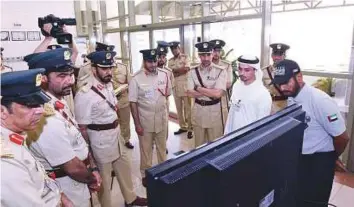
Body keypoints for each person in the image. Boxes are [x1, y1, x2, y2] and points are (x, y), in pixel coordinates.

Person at [24, 48, 101, 207]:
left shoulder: (57, 102)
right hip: (67, 188)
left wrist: (92, 167)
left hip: (78, 181)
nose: (71, 81)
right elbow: (72, 167)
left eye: (71, 74)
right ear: (43, 79)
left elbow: (77, 140)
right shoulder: (46, 118)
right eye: (62, 76)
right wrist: (92, 178)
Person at [271, 59, 349, 207]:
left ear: (299, 77)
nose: (282, 87)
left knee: (314, 203)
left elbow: (342, 137)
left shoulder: (320, 101)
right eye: (279, 83)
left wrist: (332, 157)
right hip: (300, 160)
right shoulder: (292, 97)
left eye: (286, 82)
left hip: (318, 163)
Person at [74, 50, 147, 207]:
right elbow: (82, 128)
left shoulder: (108, 85)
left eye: (110, 68)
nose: (109, 72)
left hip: (116, 135)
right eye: (104, 68)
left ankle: (131, 199)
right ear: (94, 69)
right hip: (100, 141)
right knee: (105, 181)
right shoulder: (84, 93)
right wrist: (90, 155)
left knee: (124, 169)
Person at [1, 69, 72, 206]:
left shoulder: (15, 137)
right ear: (2, 111)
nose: (40, 110)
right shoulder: (5, 161)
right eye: (29, 105)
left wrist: (61, 197)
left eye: (39, 103)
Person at [129, 49, 172, 187]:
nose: (153, 64)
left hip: (162, 119)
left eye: (154, 61)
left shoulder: (165, 75)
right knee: (146, 150)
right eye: (150, 62)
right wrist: (137, 124)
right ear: (144, 61)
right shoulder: (136, 79)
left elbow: (167, 94)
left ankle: (164, 171)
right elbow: (133, 103)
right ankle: (145, 174)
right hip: (145, 120)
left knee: (162, 147)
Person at [186, 42, 227, 147]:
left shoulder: (220, 71)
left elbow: (218, 94)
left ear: (212, 54)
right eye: (203, 55)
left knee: (215, 146)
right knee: (199, 146)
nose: (206, 58)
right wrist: (210, 90)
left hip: (214, 113)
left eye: (208, 55)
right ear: (199, 55)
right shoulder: (192, 71)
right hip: (198, 111)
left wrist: (198, 88)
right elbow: (190, 93)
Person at [224, 55, 272, 134]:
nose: (242, 73)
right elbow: (232, 113)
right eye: (240, 69)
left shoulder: (263, 94)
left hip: (249, 138)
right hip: (233, 135)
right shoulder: (237, 85)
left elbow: (262, 125)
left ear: (255, 71)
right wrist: (226, 134)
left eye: (247, 70)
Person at [168, 41, 193, 138]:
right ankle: (183, 127)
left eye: (175, 48)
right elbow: (170, 73)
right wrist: (179, 71)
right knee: (179, 109)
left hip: (186, 87)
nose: (174, 50)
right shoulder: (170, 61)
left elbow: (186, 69)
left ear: (179, 48)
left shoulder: (185, 57)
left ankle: (190, 128)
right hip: (175, 87)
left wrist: (176, 71)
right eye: (172, 49)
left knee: (188, 109)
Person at [209, 39, 233, 131]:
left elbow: (228, 84)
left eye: (218, 51)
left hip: (222, 101)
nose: (216, 53)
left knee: (223, 127)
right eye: (214, 50)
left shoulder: (226, 65)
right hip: (208, 101)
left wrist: (209, 87)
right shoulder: (204, 66)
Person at [262, 43, 290, 113]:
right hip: (268, 107)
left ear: (284, 56)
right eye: (275, 55)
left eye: (280, 55)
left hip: (284, 107)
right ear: (271, 56)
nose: (277, 58)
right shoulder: (264, 71)